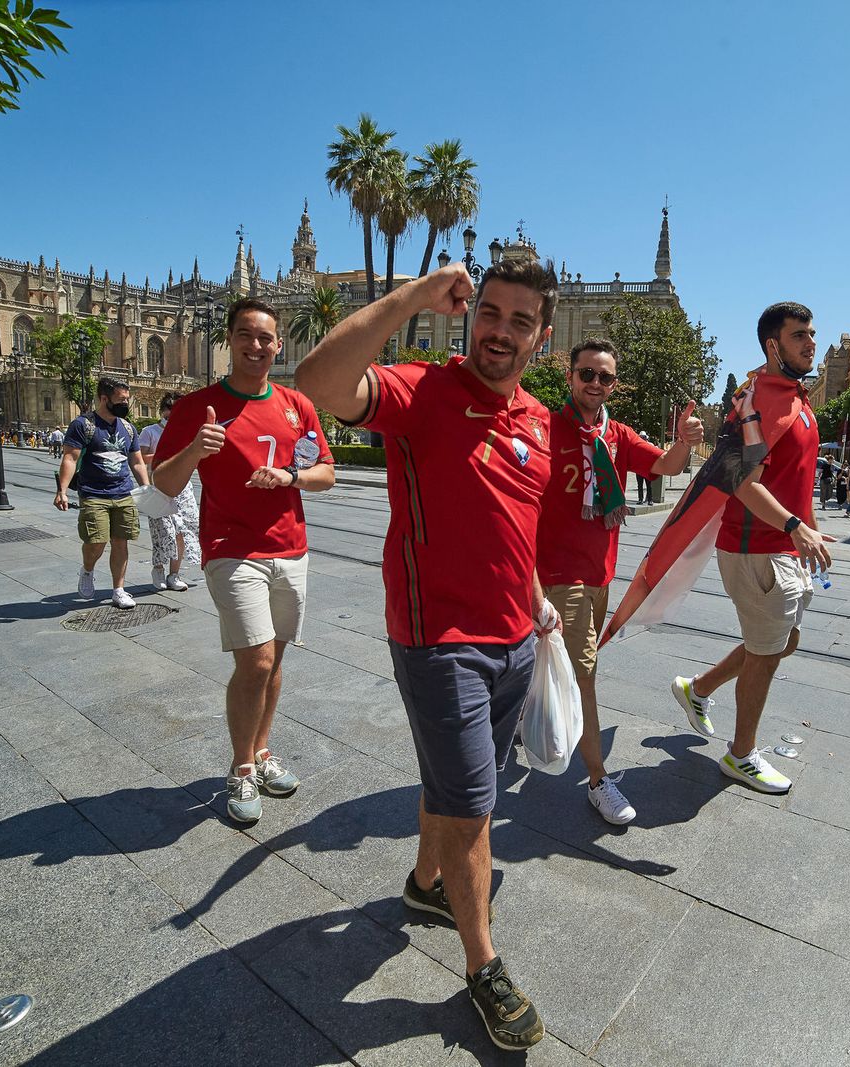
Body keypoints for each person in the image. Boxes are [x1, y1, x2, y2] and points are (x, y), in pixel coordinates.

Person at [297, 258, 559, 1052]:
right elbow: (317, 380)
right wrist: (413, 294)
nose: (501, 331)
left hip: (515, 641)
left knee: (452, 782)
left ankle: (422, 885)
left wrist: (537, 601)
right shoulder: (424, 391)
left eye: (520, 321)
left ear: (541, 337)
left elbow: (517, 525)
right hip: (440, 640)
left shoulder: (539, 419)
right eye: (491, 312)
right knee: (474, 804)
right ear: (470, 313)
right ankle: (483, 965)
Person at [155, 297, 335, 826]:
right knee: (255, 661)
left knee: (274, 661)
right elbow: (164, 484)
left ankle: (261, 750)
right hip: (232, 549)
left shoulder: (296, 406)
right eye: (245, 335)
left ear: (277, 345)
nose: (256, 346)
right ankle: (240, 769)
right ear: (229, 340)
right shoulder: (198, 407)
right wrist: (195, 449)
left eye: (265, 338)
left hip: (290, 547)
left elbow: (326, 472)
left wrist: (290, 477)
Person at [538, 338, 704, 826]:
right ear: (570, 376)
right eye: (586, 373)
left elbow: (666, 465)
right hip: (559, 574)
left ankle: (518, 719)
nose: (595, 383)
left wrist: (684, 441)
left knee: (556, 659)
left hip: (600, 573)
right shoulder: (545, 427)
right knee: (585, 674)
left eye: (605, 377)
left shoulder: (616, 434)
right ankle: (597, 780)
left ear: (614, 384)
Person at [671, 301, 834, 796]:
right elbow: (741, 481)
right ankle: (741, 756)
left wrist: (808, 529)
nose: (811, 342)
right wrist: (794, 526)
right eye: (799, 335)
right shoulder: (758, 400)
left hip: (784, 545)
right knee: (766, 654)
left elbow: (794, 477)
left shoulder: (795, 397)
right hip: (757, 546)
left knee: (783, 641)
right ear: (772, 345)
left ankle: (698, 689)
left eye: (812, 333)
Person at [53, 377, 150, 608]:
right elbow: (70, 458)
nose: (125, 404)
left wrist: (147, 488)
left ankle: (119, 590)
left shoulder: (128, 428)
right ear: (104, 399)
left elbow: (137, 462)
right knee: (96, 541)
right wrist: (62, 491)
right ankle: (87, 569)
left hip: (123, 492)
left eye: (127, 399)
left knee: (121, 542)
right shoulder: (83, 425)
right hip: (93, 493)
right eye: (121, 400)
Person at [137, 393, 201, 592]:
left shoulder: (186, 432)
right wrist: (166, 455)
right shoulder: (150, 431)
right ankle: (158, 568)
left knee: (183, 530)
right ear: (163, 411)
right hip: (158, 488)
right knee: (163, 531)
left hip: (183, 487)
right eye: (170, 411)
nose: (173, 416)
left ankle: (174, 574)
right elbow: (139, 459)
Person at [634, 431, 653, 504]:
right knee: (640, 485)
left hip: (647, 468)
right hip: (639, 468)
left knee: (649, 485)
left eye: (643, 437)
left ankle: (650, 499)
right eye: (641, 437)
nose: (642, 439)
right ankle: (640, 499)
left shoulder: (650, 445)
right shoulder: (637, 446)